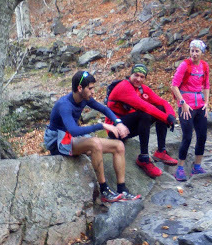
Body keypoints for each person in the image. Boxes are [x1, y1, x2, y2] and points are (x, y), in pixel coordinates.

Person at [44, 70, 140, 203]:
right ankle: (104, 190)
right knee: (94, 143)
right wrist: (102, 125)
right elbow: (74, 131)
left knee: (119, 146)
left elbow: (104, 109)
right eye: (90, 88)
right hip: (58, 141)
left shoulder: (84, 98)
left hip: (71, 137)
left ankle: (122, 189)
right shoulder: (64, 105)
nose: (93, 92)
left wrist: (118, 123)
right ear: (80, 88)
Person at [106, 63, 178, 178]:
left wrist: (171, 116)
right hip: (114, 130)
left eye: (142, 77)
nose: (138, 79)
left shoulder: (141, 89)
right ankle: (143, 158)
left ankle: (161, 151)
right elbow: (145, 107)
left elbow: (163, 102)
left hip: (127, 127)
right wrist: (166, 118)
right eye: (136, 75)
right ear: (130, 75)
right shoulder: (124, 86)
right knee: (144, 114)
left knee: (160, 108)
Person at [170, 39, 210, 182]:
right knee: (187, 136)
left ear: (201, 52)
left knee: (202, 136)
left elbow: (206, 85)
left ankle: (197, 166)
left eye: (197, 51)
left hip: (200, 105)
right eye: (192, 51)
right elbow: (174, 86)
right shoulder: (184, 65)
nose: (194, 54)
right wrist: (182, 103)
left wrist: (207, 103)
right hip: (186, 105)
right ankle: (180, 169)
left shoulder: (204, 66)